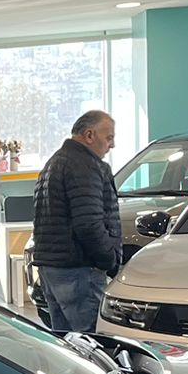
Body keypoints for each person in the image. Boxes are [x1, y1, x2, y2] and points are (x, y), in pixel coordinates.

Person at [32, 109, 121, 333]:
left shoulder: (54, 162)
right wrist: (109, 259)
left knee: (66, 343)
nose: (111, 145)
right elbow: (89, 224)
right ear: (89, 135)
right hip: (79, 270)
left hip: (52, 269)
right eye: (109, 137)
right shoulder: (85, 166)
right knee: (92, 342)